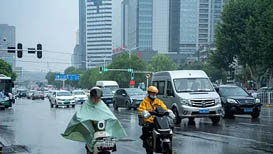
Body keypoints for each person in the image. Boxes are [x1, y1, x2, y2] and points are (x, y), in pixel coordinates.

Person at [62, 87, 127, 154]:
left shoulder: (102, 105)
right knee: (89, 148)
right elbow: (79, 116)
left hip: (102, 132)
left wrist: (113, 120)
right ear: (91, 97)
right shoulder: (86, 105)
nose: (96, 100)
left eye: (98, 98)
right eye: (95, 98)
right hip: (90, 131)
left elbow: (110, 116)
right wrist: (84, 120)